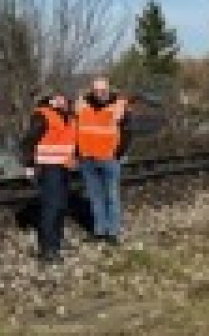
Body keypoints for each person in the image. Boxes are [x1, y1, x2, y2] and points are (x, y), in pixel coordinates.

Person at [20, 90, 76, 262]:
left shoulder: (69, 117)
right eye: (57, 98)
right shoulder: (43, 115)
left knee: (60, 207)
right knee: (51, 208)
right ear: (51, 100)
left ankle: (56, 242)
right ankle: (48, 249)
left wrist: (76, 158)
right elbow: (29, 141)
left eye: (63, 98)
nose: (61, 101)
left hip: (64, 167)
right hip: (48, 168)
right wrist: (29, 165)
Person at [75, 76, 131, 244]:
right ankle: (99, 231)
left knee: (111, 196)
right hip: (87, 158)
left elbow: (127, 132)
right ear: (92, 90)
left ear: (108, 89)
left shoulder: (119, 105)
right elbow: (75, 129)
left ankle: (112, 232)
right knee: (95, 196)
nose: (100, 93)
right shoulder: (81, 105)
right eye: (96, 90)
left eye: (103, 90)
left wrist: (118, 153)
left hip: (109, 158)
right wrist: (77, 153)